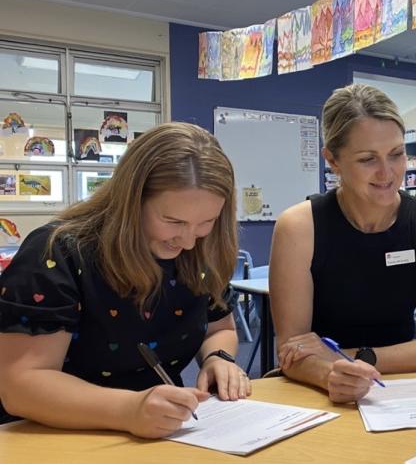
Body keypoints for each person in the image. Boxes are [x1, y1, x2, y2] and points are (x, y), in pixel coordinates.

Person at [0, 122, 250, 437]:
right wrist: (128, 409)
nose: (187, 241)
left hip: (157, 431)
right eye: (172, 221)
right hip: (55, 434)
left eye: (207, 222)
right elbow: (21, 385)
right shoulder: (57, 253)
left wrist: (218, 357)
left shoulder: (199, 251)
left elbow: (219, 327)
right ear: (131, 201)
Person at [270, 83, 416, 403]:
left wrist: (351, 358)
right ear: (332, 159)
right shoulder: (298, 228)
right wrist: (331, 376)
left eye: (397, 154)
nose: (387, 173)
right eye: (367, 159)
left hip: (402, 390)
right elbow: (293, 351)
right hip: (319, 390)